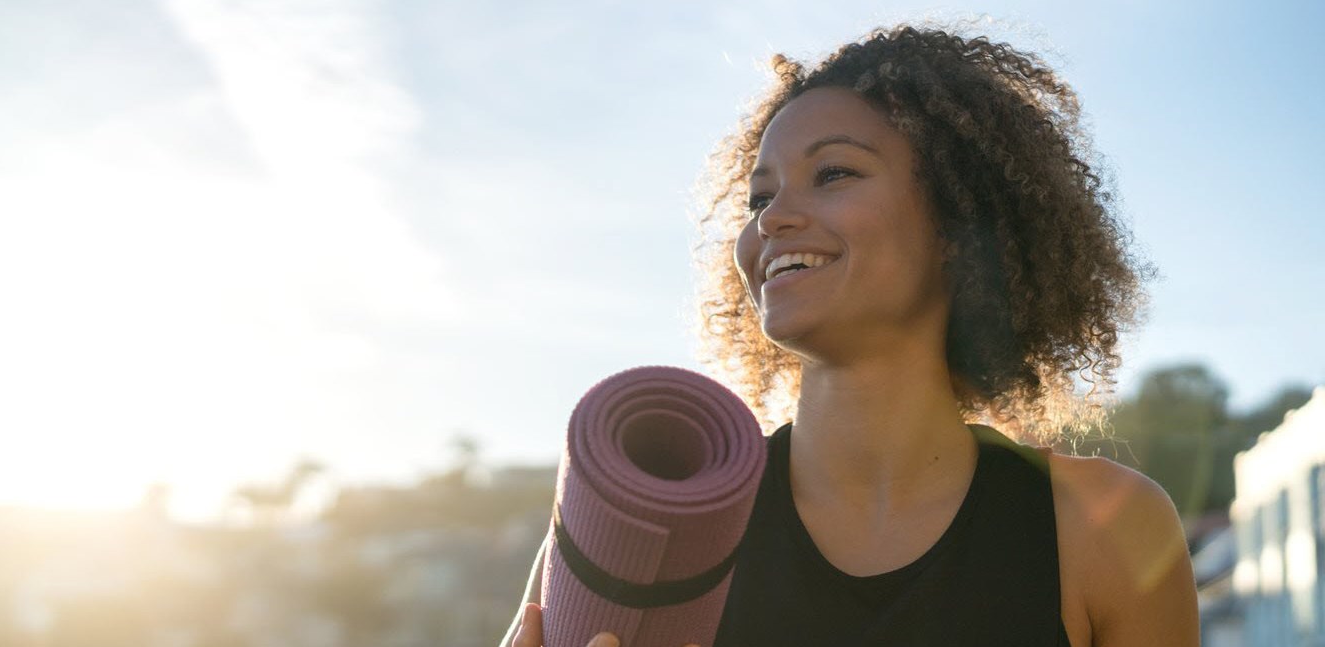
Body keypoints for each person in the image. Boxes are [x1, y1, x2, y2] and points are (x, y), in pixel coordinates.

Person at [503, 22, 1198, 647]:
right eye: (760, 197)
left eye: (832, 173)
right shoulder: (653, 523)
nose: (772, 219)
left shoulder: (1108, 528)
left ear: (959, 219)